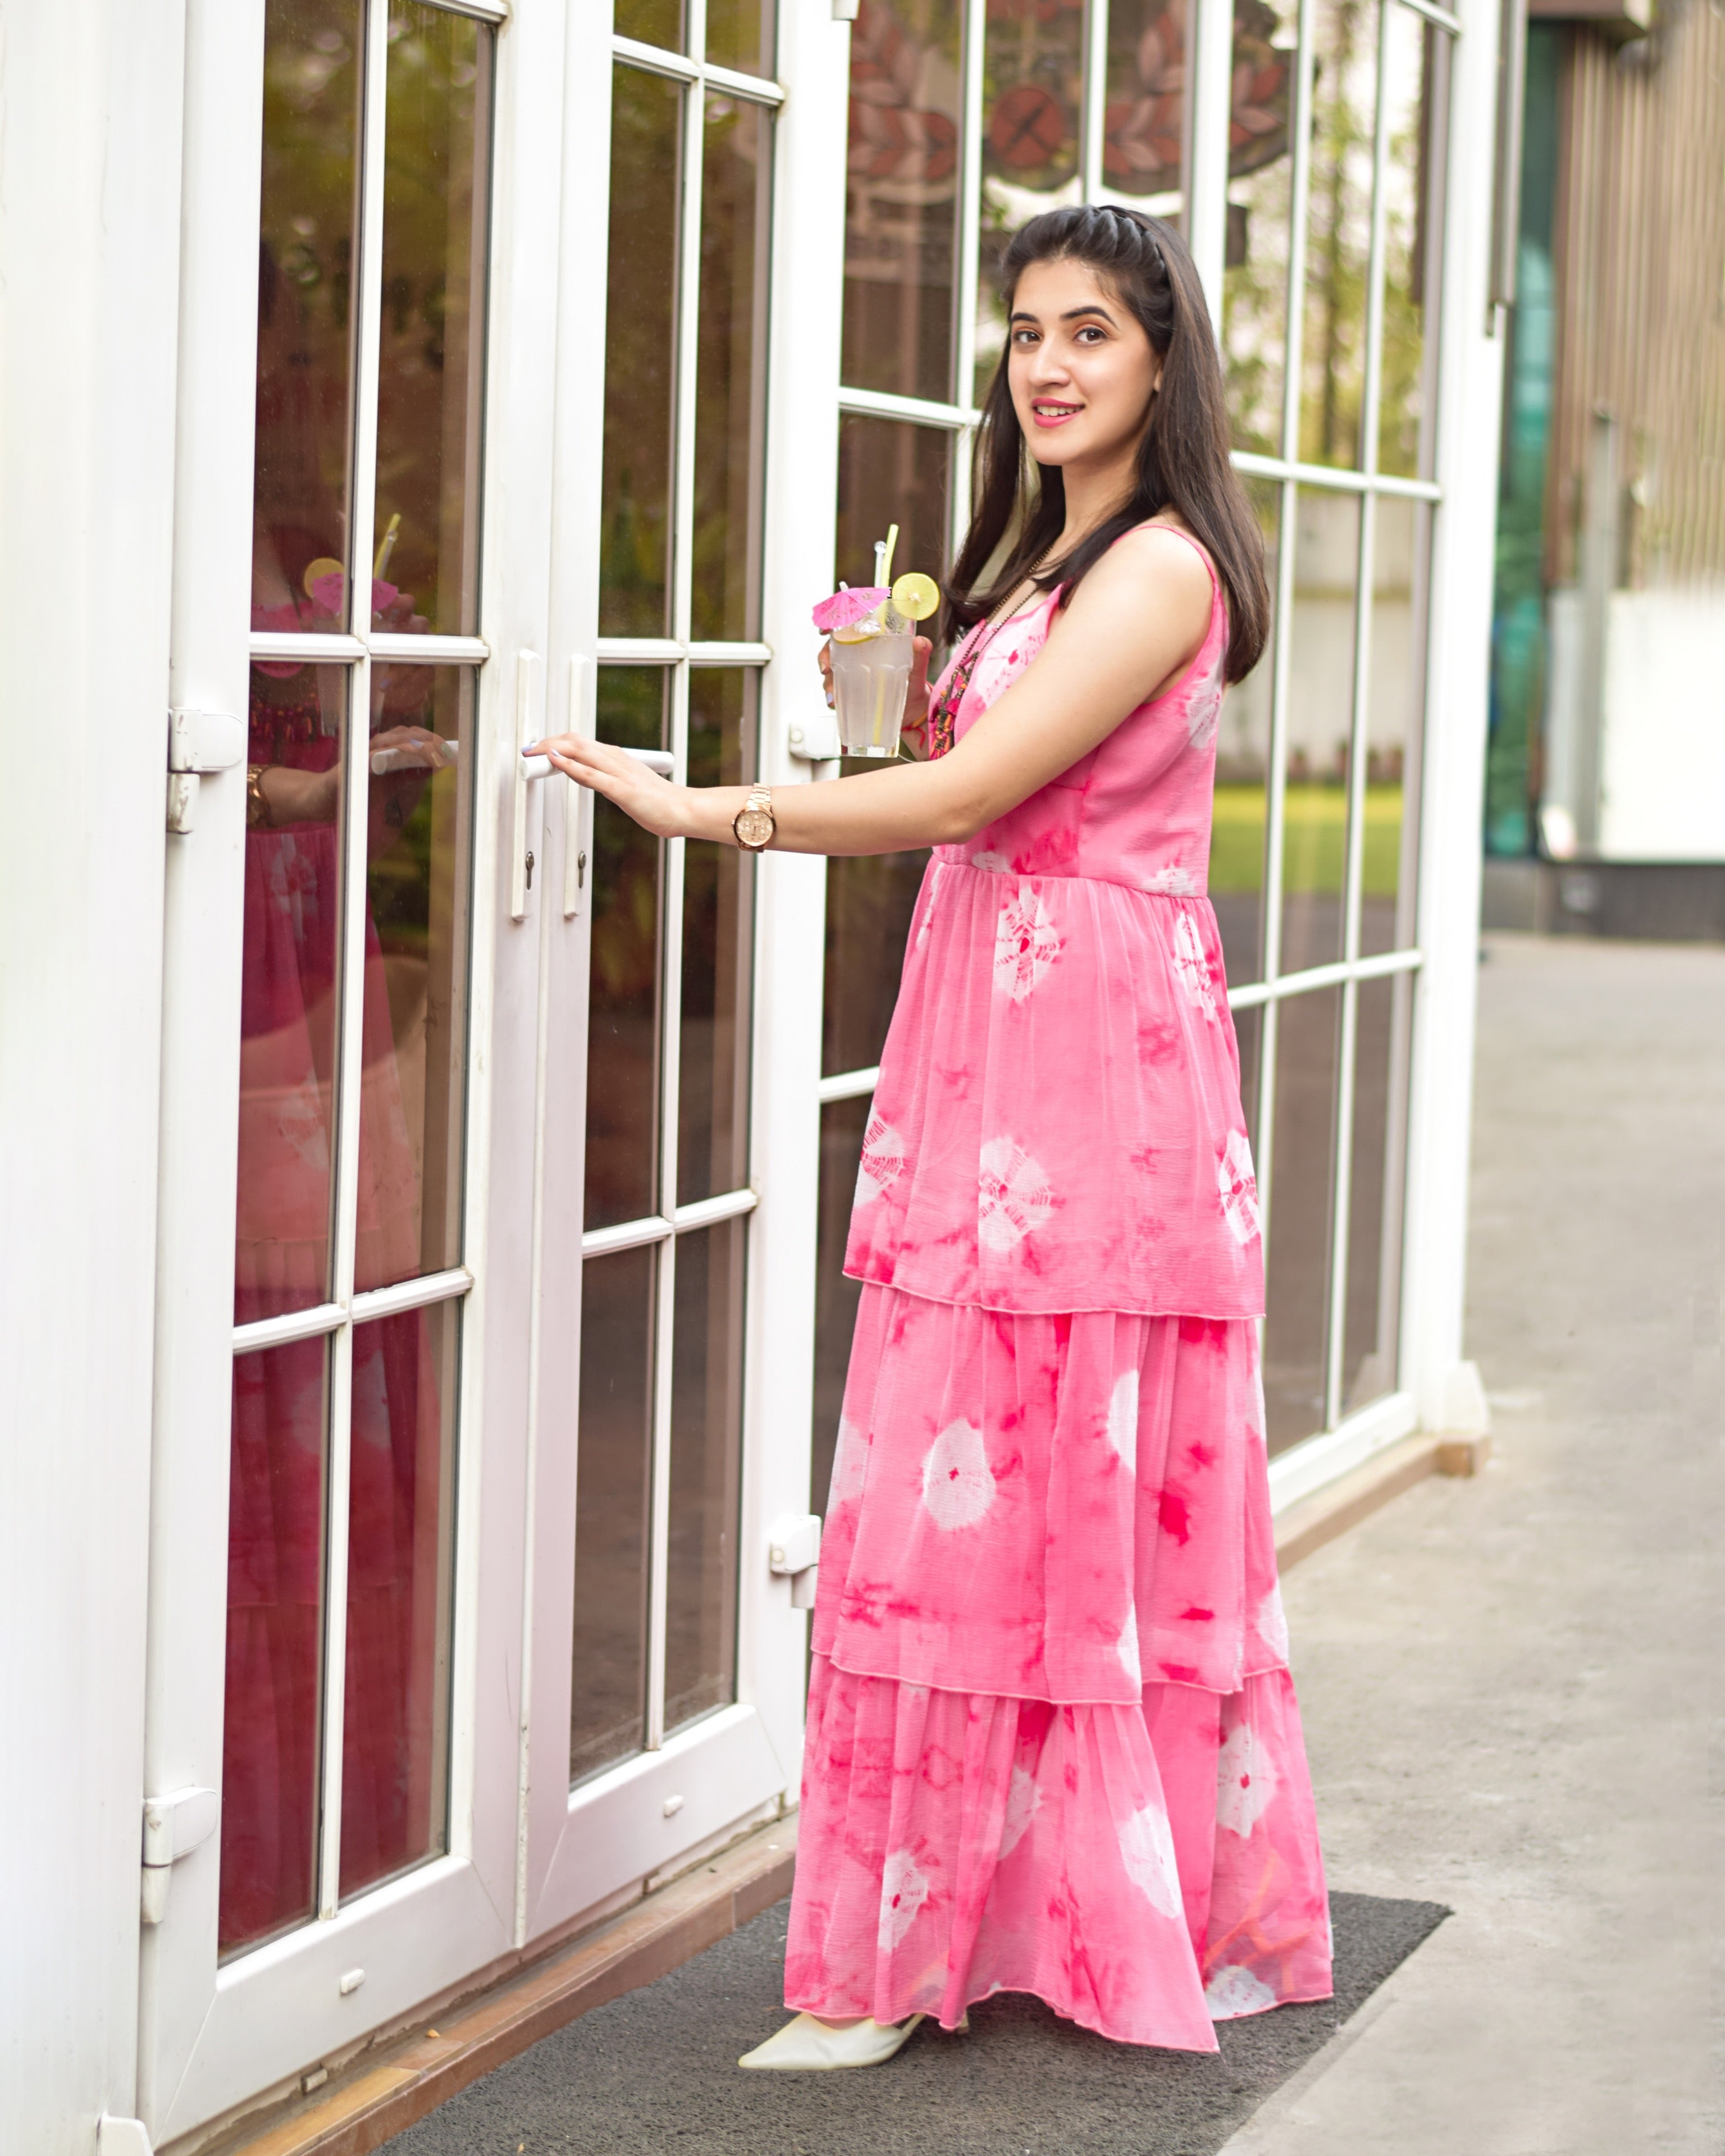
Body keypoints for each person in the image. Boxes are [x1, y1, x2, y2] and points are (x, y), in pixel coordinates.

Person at [531, 203, 1331, 2068]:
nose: (1047, 365)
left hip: (1089, 1066)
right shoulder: (1041, 552)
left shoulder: (1156, 568)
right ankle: (964, 1922)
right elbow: (959, 788)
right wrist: (876, 709)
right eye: (1027, 332)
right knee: (969, 1465)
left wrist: (696, 810)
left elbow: (970, 795)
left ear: (1161, 366)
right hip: (1002, 1026)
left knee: (1013, 1468)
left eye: (1092, 335)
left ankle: (944, 1949)